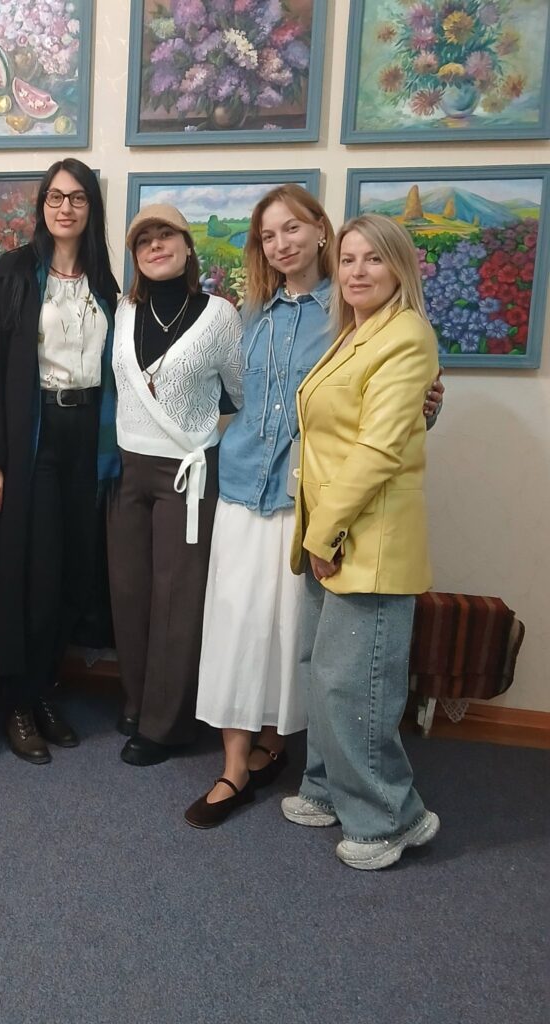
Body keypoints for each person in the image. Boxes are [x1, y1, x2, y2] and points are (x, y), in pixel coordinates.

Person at [186, 187, 444, 829]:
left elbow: (386, 409)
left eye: (293, 228)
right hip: (243, 485)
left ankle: (283, 750)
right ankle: (234, 764)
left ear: (320, 229)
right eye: (268, 235)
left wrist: (429, 406)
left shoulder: (352, 311)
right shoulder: (250, 314)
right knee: (237, 628)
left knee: (298, 642)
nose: (281, 244)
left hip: (308, 499)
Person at [281, 214, 441, 869]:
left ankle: (389, 819)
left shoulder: (406, 336)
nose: (356, 271)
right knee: (323, 676)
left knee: (357, 689)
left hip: (363, 539)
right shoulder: (355, 332)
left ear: (399, 267)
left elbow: (377, 449)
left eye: (373, 259)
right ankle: (327, 788)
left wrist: (325, 534)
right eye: (348, 259)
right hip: (335, 530)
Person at [0, 158, 119, 764]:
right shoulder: (10, 273)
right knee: (29, 572)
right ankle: (17, 700)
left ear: (91, 208)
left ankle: (45, 688)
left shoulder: (105, 280)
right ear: (41, 205)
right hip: (32, 436)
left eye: (77, 198)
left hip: (88, 434)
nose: (65, 208)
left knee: (73, 571)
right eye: (55, 197)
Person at [107, 205, 243, 767]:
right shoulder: (123, 310)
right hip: (127, 470)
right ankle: (140, 701)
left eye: (166, 236)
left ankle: (167, 724)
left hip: (186, 475)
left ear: (188, 247)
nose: (156, 246)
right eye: (145, 240)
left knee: (176, 599)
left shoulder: (219, 314)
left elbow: (240, 393)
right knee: (130, 593)